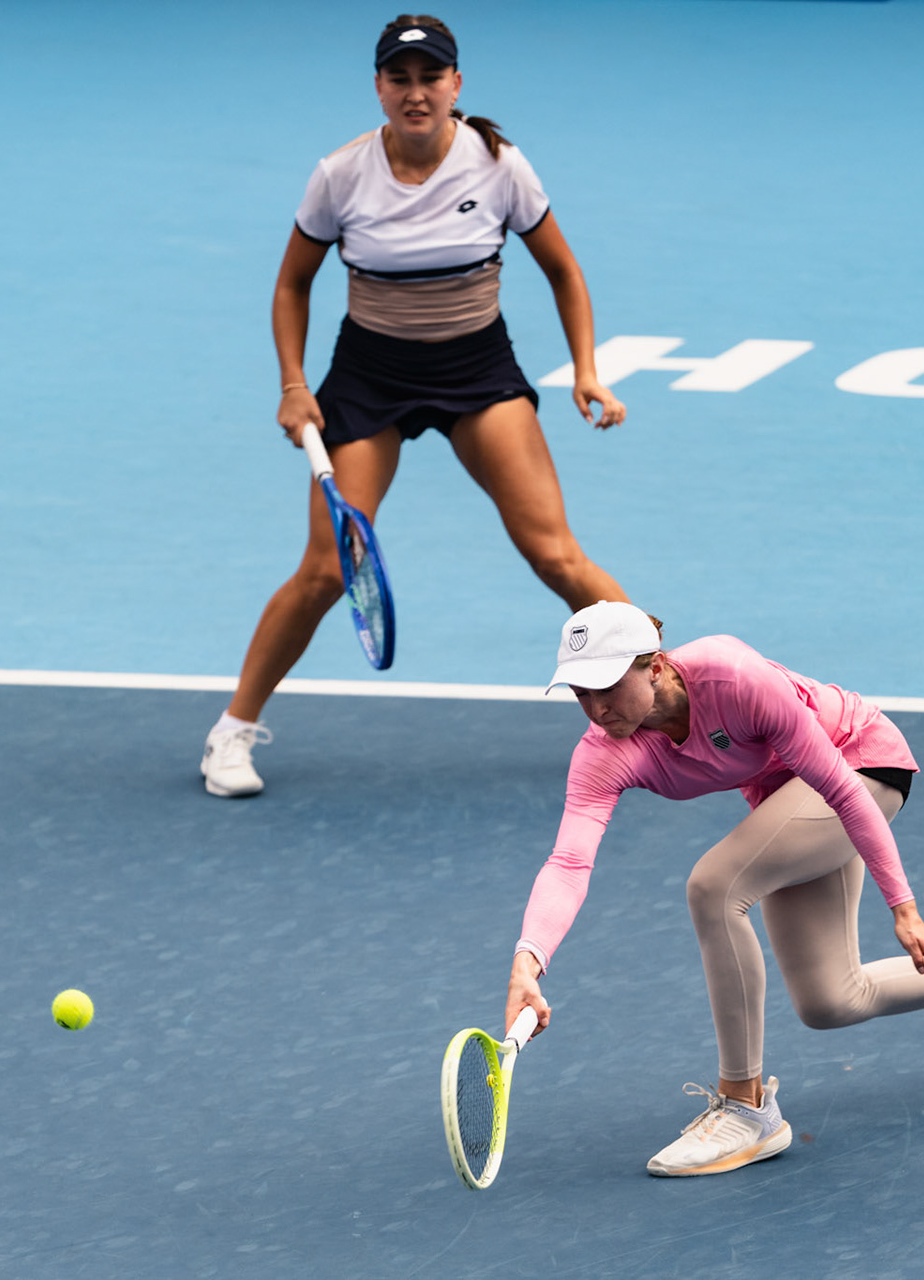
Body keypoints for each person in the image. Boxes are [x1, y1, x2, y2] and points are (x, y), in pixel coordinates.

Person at [202, 14, 629, 797]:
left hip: (478, 372)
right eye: (399, 79)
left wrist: (587, 371)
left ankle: (677, 698)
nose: (416, 93)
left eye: (431, 78)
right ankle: (231, 732)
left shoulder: (499, 164)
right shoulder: (340, 174)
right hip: (370, 379)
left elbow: (563, 270)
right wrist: (295, 385)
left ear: (456, 85)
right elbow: (292, 283)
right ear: (379, 87)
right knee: (326, 572)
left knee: (555, 554)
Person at [505, 602, 924, 1177]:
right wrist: (528, 960)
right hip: (786, 800)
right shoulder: (603, 753)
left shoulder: (732, 676)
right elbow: (570, 861)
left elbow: (838, 788)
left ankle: (745, 1106)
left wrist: (903, 906)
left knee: (714, 887)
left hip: (859, 765)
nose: (597, 709)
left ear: (653, 665)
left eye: (606, 686)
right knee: (832, 1000)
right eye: (580, 693)